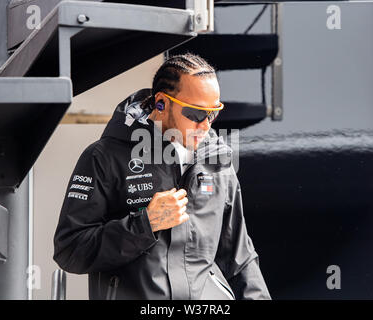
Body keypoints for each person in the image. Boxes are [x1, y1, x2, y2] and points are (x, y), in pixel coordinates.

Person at [53, 53, 271, 300]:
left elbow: (239, 259)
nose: (206, 125)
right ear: (161, 103)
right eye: (196, 114)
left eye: (213, 113)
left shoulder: (217, 162)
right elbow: (70, 251)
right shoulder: (103, 158)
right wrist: (145, 224)